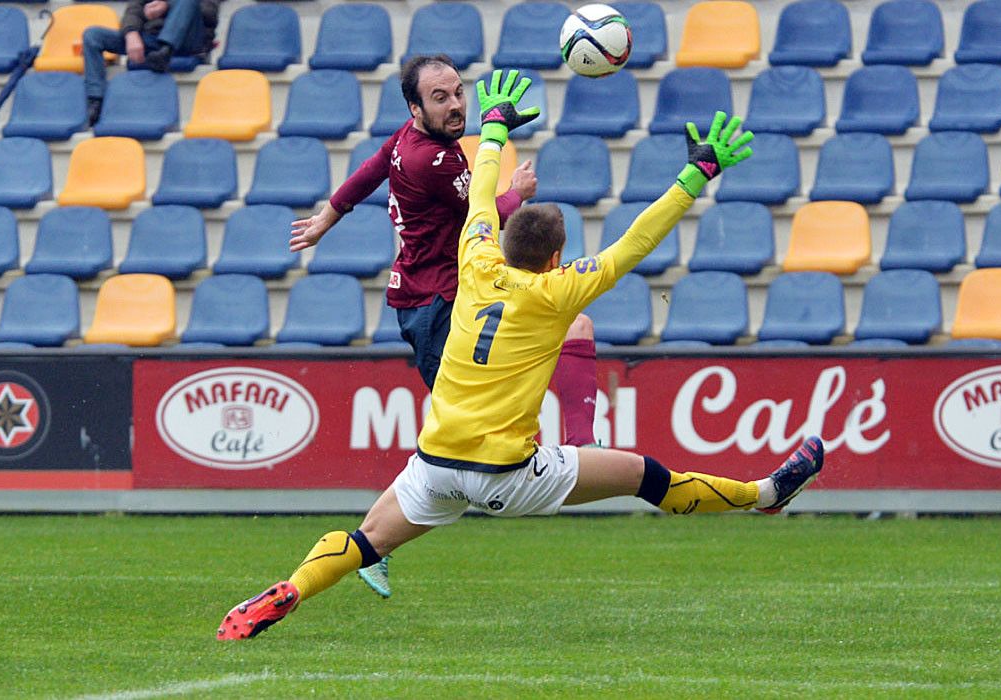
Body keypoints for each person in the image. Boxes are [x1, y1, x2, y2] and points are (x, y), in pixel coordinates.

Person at [217, 72, 825, 641]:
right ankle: (763, 495)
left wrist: (497, 126)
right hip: (510, 477)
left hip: (436, 463)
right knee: (646, 476)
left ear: (500, 242)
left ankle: (292, 588)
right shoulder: (557, 292)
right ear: (558, 258)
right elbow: (635, 241)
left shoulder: (475, 259)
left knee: (365, 540)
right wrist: (695, 176)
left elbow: (483, 192)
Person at [290, 55, 598, 597]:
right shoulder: (433, 159)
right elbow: (487, 213)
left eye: (458, 92)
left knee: (574, 326)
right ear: (416, 107)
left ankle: (582, 448)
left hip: (446, 297)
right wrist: (518, 192)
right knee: (451, 454)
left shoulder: (410, 138)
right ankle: (369, 545)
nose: (456, 104)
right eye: (441, 97)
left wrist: (326, 218)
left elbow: (369, 170)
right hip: (436, 307)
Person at [82, 0, 220, 126]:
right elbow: (133, 10)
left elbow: (209, 13)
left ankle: (166, 50)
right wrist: (131, 33)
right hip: (152, 40)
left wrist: (167, 6)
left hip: (189, 41)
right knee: (93, 35)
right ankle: (95, 101)